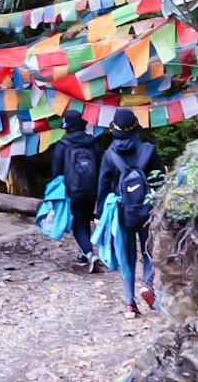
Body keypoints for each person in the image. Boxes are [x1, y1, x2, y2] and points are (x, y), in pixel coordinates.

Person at [96, 110, 165, 318]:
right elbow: (159, 180)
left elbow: (103, 185)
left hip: (120, 211)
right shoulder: (149, 150)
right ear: (136, 128)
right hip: (146, 208)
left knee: (126, 255)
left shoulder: (109, 154)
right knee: (148, 251)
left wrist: (99, 212)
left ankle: (129, 303)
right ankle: (148, 285)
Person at [51, 111, 101, 271]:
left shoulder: (63, 145)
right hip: (92, 189)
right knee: (85, 219)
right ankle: (82, 254)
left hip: (72, 191)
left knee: (78, 224)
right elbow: (100, 166)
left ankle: (89, 253)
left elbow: (56, 172)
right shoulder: (93, 143)